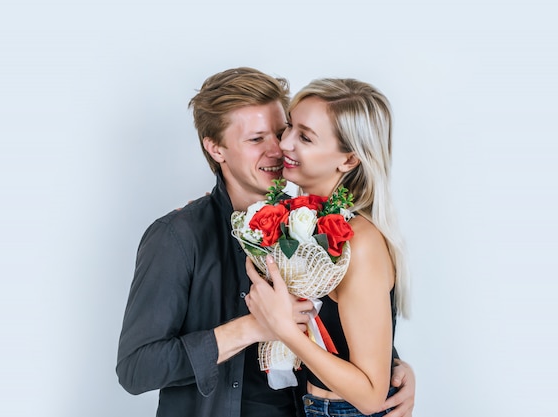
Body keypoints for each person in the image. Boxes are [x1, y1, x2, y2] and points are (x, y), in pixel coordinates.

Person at [116, 67, 415, 417]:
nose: (278, 149)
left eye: (282, 131)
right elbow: (136, 370)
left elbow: (345, 324)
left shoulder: (311, 223)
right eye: (257, 139)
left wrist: (394, 370)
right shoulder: (178, 236)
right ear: (216, 149)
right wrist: (252, 328)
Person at [245, 78, 409, 417]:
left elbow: (369, 396)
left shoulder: (360, 241)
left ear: (348, 160)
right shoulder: (308, 218)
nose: (283, 143)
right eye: (289, 126)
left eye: (305, 137)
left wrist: (284, 329)